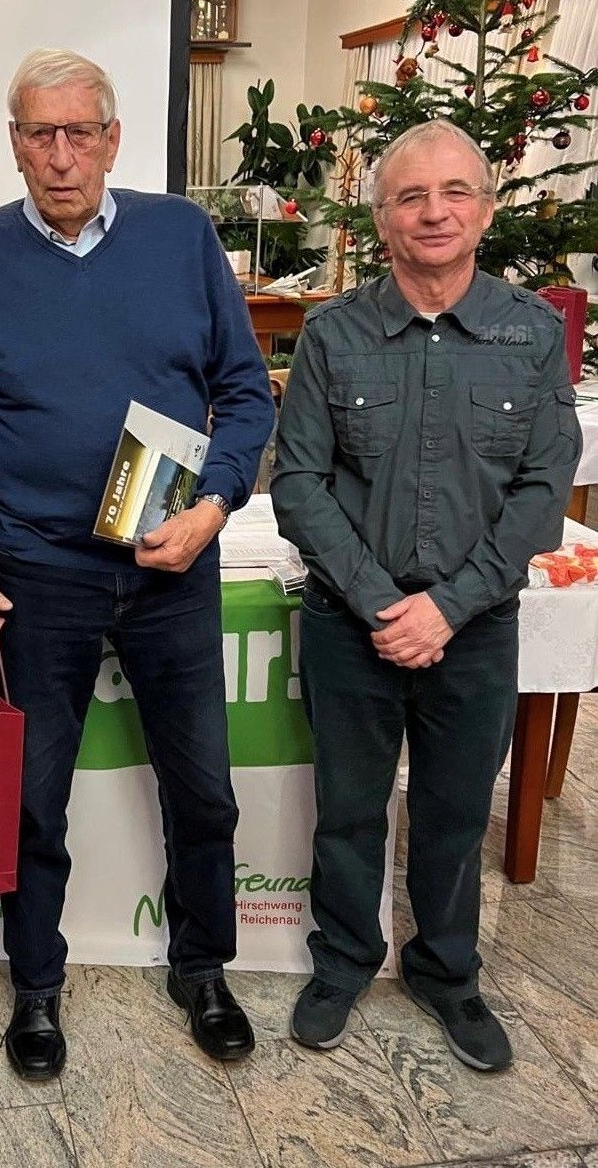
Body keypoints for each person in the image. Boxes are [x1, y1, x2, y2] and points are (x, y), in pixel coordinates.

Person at [0, 48, 274, 1080]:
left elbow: (246, 392)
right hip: (35, 567)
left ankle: (202, 966)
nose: (58, 154)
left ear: (113, 138)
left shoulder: (181, 236)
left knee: (203, 788)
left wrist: (215, 502)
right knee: (36, 796)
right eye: (37, 133)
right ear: (13, 144)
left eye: (77, 131)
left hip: (171, 559)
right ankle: (36, 984)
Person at [270, 119, 582, 1072]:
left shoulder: (530, 334)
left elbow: (542, 489)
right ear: (381, 219)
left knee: (452, 814)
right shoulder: (332, 333)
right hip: (348, 625)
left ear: (485, 210)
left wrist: (447, 605)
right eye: (410, 196)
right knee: (348, 812)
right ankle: (342, 963)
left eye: (453, 192)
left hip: (475, 628)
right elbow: (298, 486)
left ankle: (448, 975)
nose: (433, 211)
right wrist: (379, 604)